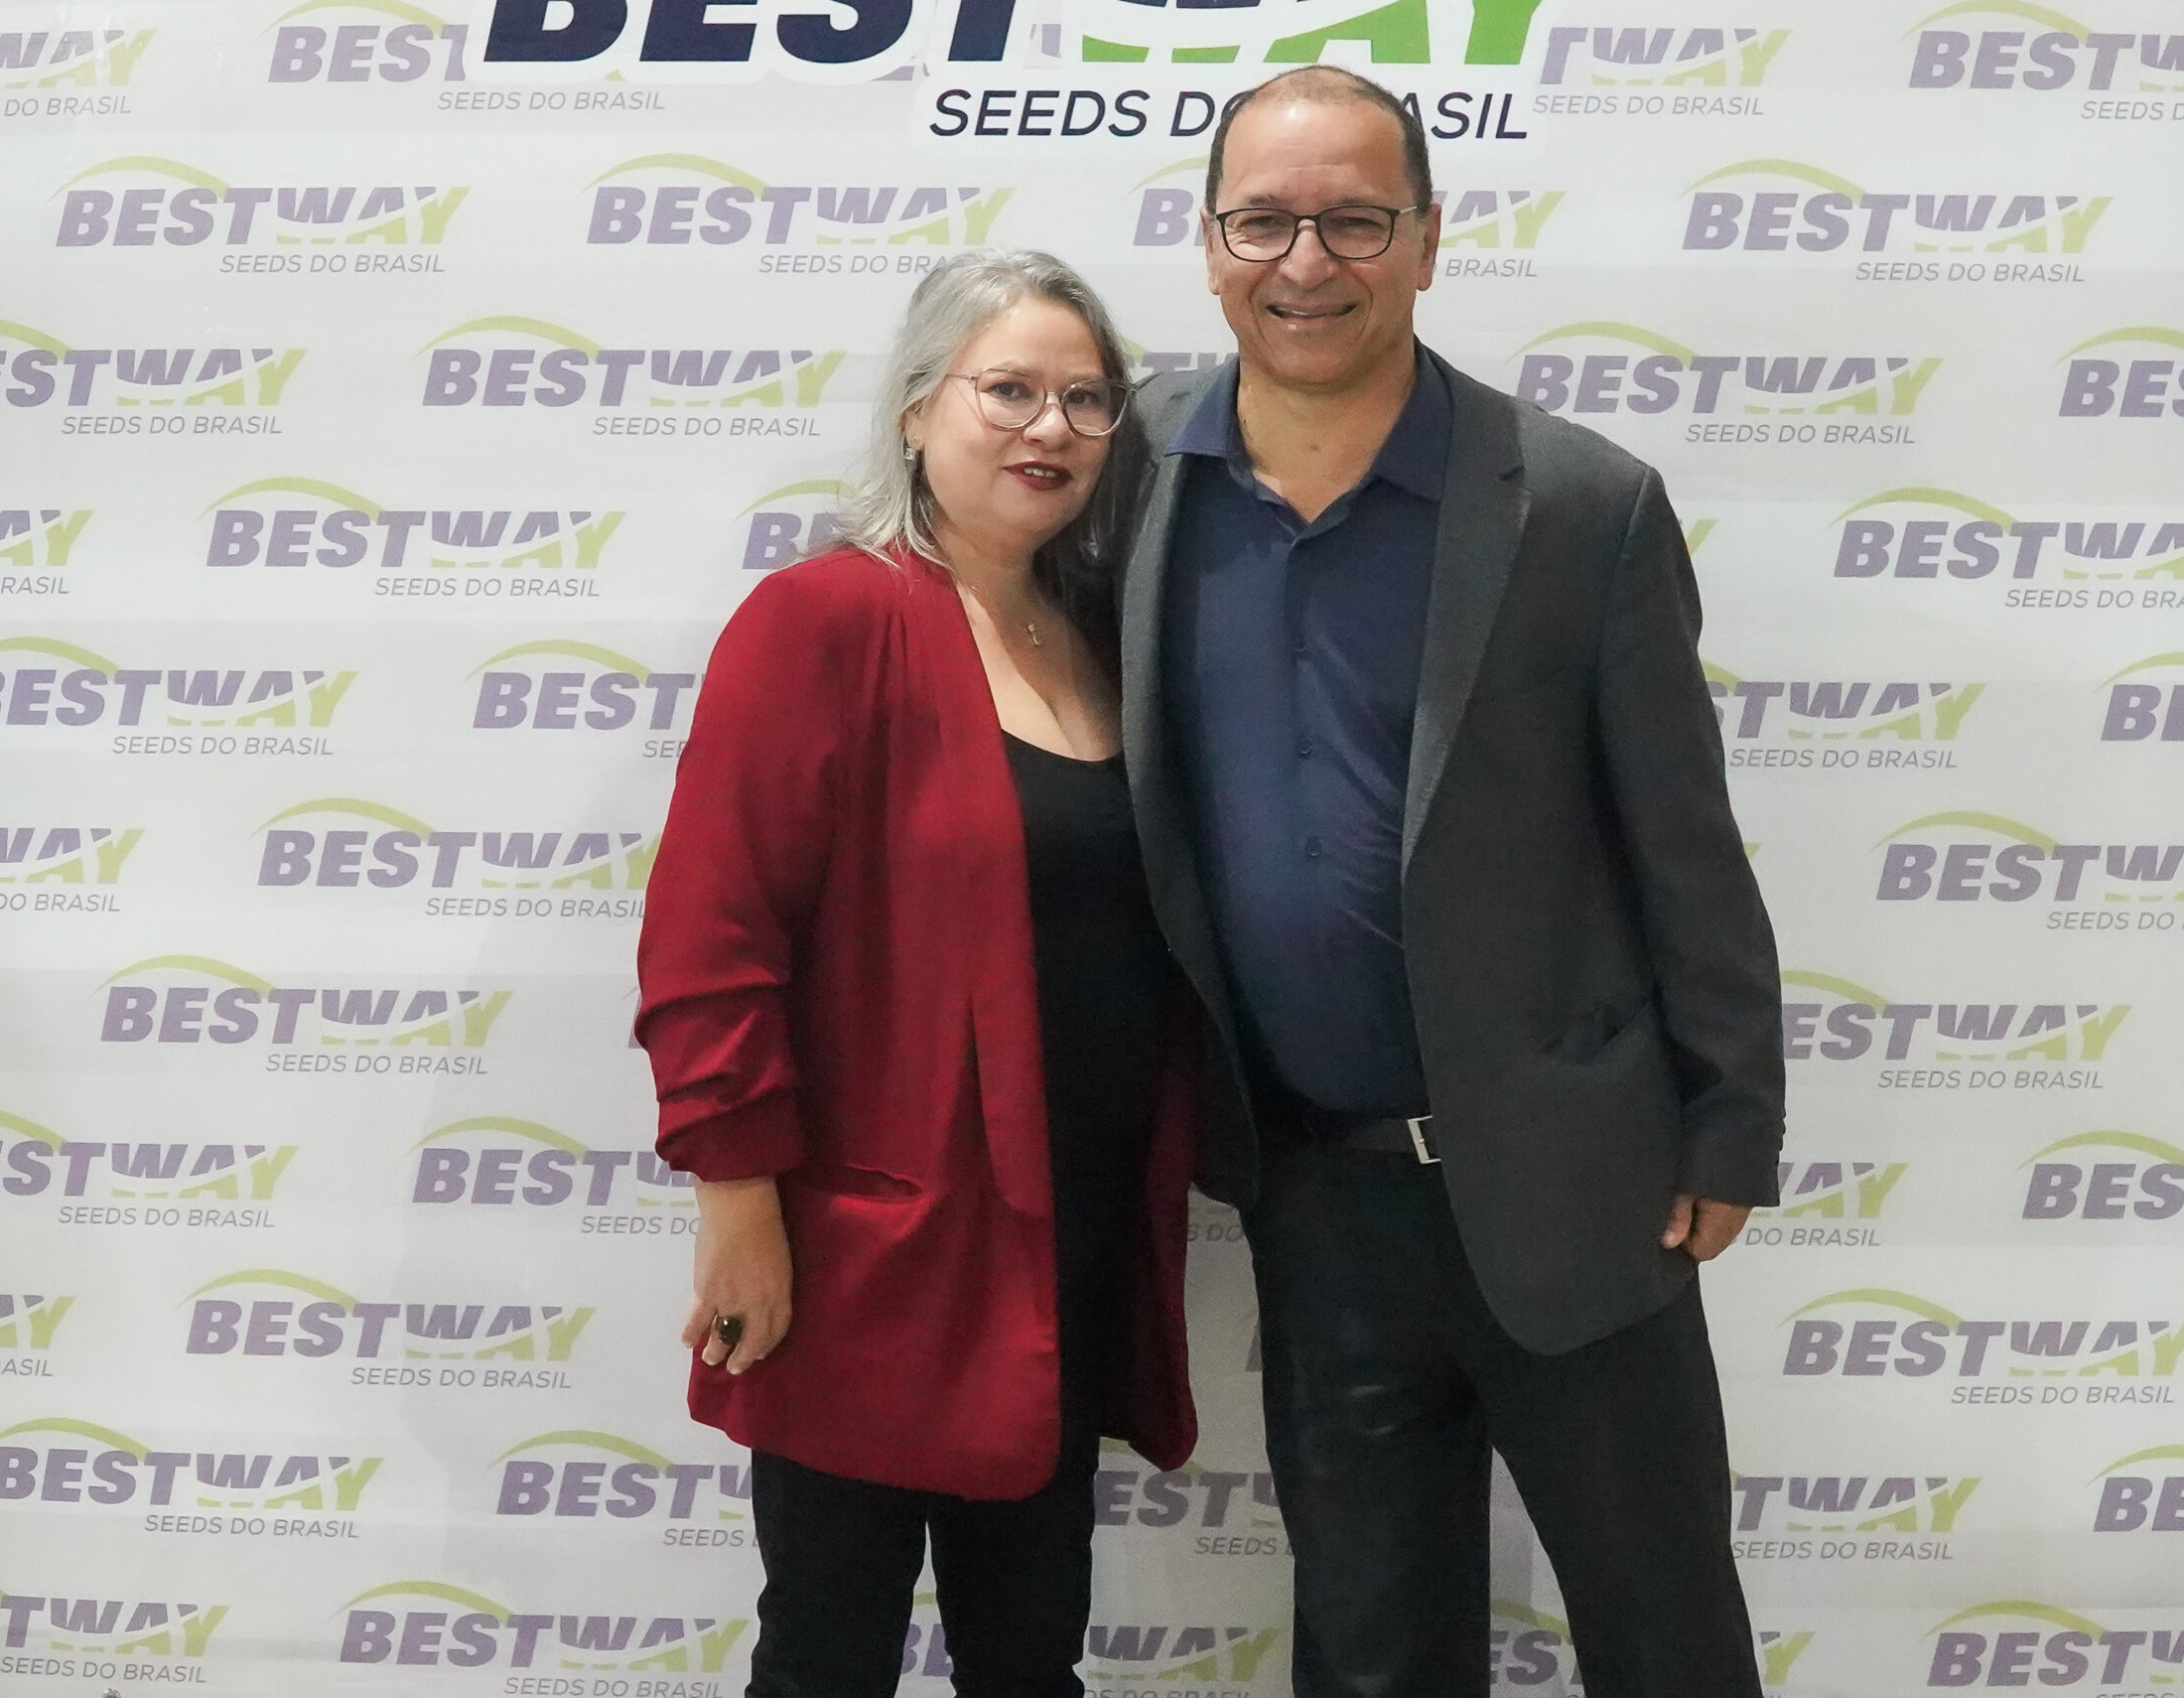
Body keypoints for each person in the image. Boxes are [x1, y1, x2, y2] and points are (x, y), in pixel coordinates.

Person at [1119, 68, 1786, 1697]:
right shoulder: (1128, 477)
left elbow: (1684, 841)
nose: (1306, 262)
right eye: (1263, 222)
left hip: (1582, 1182)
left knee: (1666, 1637)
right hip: (1316, 1194)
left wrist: (1728, 1120)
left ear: (1428, 240)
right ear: (1207, 243)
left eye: (1356, 220)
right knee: (1371, 1654)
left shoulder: (1579, 505)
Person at [635, 248, 1197, 1698]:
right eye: (1008, 389)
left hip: (1064, 1242)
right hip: (870, 1256)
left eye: (1087, 398)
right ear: (915, 408)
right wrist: (738, 1208)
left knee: (1031, 1657)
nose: (1051, 426)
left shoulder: (1098, 639)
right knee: (827, 1654)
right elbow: (709, 942)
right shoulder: (825, 619)